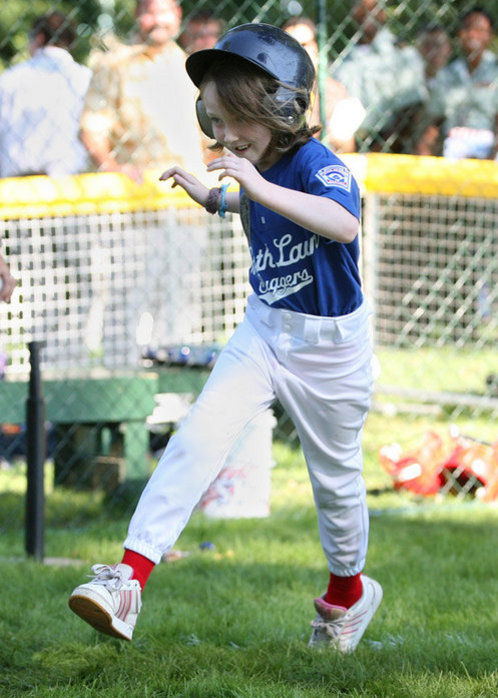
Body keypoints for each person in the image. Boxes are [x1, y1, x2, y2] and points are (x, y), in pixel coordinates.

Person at [68, 23, 383, 654]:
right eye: (213, 117)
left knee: (336, 481)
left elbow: (343, 224)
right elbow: (255, 205)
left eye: (236, 116)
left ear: (282, 107)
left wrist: (255, 185)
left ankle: (347, 595)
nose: (224, 133)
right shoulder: (253, 169)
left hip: (330, 349)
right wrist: (216, 197)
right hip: (264, 331)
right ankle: (129, 578)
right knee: (197, 439)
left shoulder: (313, 162)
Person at [80, 0, 204, 182]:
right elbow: (91, 131)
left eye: (164, 12)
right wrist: (112, 169)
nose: (158, 20)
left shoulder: (190, 66)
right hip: (137, 195)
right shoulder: (112, 65)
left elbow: (210, 143)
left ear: (178, 14)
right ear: (137, 13)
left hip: (191, 192)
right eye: (150, 12)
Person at [416, 7, 498, 160]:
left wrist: (491, 159)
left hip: (490, 144)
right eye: (468, 29)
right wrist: (423, 154)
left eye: (480, 30)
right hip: (455, 143)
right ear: (460, 34)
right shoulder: (447, 73)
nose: (473, 35)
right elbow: (434, 121)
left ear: (490, 36)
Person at [0, 12, 91, 178]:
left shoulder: (10, 78)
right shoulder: (85, 78)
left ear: (39, 38)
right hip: (71, 182)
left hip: (16, 183)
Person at [331, 0, 426, 153]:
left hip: (388, 146)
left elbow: (410, 110)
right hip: (346, 143)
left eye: (373, 8)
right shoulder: (343, 57)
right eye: (359, 8)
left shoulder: (402, 54)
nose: (366, 14)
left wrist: (379, 149)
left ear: (383, 13)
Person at [282, 16, 365, 153]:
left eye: (304, 45)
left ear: (317, 49)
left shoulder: (334, 91)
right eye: (292, 46)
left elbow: (344, 145)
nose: (298, 52)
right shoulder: (270, 90)